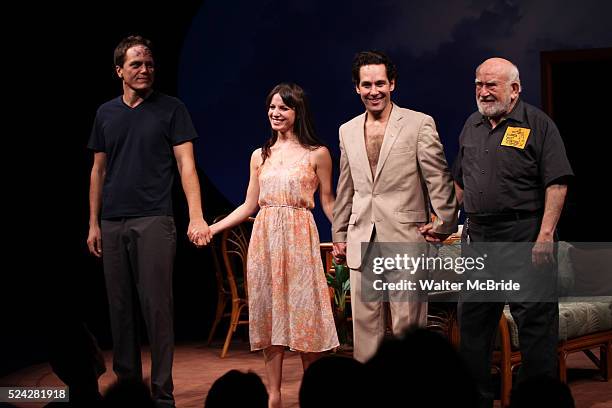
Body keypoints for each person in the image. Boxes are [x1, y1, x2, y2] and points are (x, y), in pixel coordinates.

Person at [86, 35, 211, 408]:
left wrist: (196, 216)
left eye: (149, 64)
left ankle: (161, 395)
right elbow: (97, 170)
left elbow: (186, 165)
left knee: (157, 309)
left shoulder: (172, 109)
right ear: (119, 71)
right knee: (120, 309)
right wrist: (93, 222)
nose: (145, 70)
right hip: (112, 222)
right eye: (136, 64)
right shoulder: (105, 113)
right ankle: (128, 393)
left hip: (154, 219)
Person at [209, 83, 339, 408]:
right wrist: (212, 229)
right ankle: (274, 396)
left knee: (305, 317)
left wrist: (343, 234)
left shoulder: (317, 153)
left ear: (297, 112)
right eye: (271, 107)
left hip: (299, 238)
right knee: (270, 317)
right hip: (265, 239)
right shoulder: (260, 155)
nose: (275, 113)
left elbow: (328, 202)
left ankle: (314, 393)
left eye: (283, 108)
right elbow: (248, 205)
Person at [453, 57, 573, 408]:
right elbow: (460, 184)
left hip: (523, 235)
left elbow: (558, 182)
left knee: (536, 328)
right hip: (478, 239)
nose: (483, 91)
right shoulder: (471, 125)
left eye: (492, 85)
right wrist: (442, 220)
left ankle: (534, 402)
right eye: (479, 84)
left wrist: (545, 235)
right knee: (473, 328)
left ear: (515, 89)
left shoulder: (538, 124)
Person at [332, 50, 458, 362]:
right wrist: (339, 231)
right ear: (357, 88)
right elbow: (346, 184)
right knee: (365, 326)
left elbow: (437, 176)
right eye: (366, 85)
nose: (373, 91)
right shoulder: (347, 130)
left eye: (379, 83)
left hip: (405, 235)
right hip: (363, 235)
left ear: (392, 84)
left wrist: (444, 222)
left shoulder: (418, 123)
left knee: (408, 327)